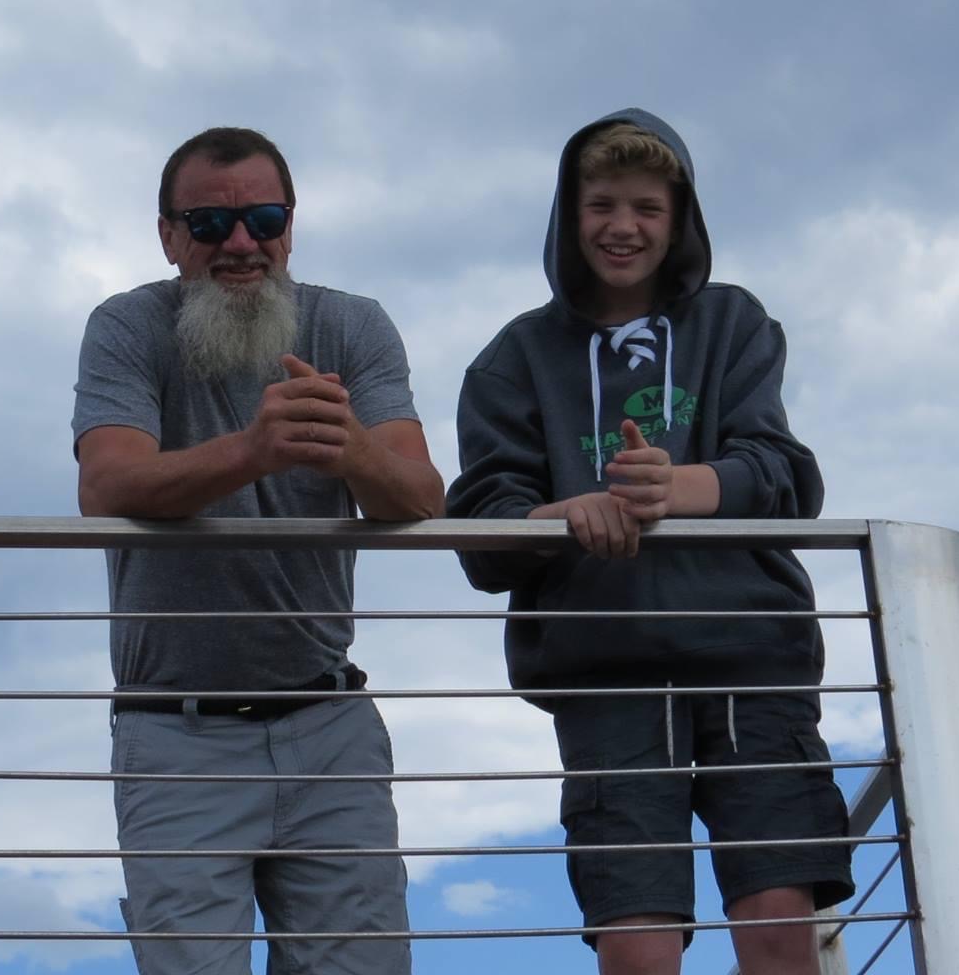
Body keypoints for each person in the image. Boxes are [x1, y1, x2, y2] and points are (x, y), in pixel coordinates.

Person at [445, 110, 854, 974]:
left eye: (647, 208)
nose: (622, 227)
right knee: (637, 944)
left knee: (778, 925)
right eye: (601, 205)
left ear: (679, 221)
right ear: (569, 215)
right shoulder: (511, 359)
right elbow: (483, 532)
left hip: (751, 656)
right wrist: (571, 515)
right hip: (606, 669)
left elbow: (782, 473)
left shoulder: (734, 322)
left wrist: (679, 488)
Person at [74, 126, 443, 975]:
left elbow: (422, 496)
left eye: (264, 219)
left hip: (330, 724)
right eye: (210, 224)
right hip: (175, 735)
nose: (241, 243)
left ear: (291, 226)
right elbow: (106, 486)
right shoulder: (128, 325)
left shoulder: (352, 325)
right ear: (168, 236)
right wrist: (254, 449)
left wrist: (350, 447)